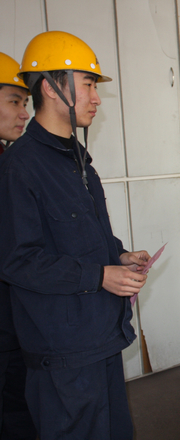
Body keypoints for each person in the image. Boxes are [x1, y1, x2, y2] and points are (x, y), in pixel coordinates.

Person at [0, 31, 151, 440]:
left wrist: (119, 256)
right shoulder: (19, 168)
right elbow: (17, 261)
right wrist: (100, 276)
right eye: (88, 85)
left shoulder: (76, 161)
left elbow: (84, 235)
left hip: (100, 337)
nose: (96, 98)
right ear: (51, 88)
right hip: (62, 353)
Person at [0, 52, 36, 440]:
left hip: (12, 324)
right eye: (14, 101)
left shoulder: (10, 161)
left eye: (25, 102)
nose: (24, 113)